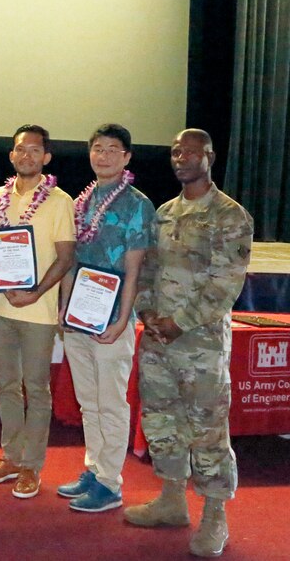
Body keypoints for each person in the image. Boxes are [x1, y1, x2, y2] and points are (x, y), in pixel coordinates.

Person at [125, 129, 253, 558]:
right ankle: (172, 500)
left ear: (210, 156)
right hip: (159, 341)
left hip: (200, 346)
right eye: (175, 151)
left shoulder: (229, 215)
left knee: (207, 429)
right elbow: (146, 271)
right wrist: (145, 313)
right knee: (161, 421)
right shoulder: (164, 212)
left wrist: (178, 323)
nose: (181, 157)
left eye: (190, 151)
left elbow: (224, 285)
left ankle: (215, 514)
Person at [55, 124, 154, 512]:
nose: (105, 156)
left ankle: (111, 484)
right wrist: (65, 307)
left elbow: (134, 270)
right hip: (80, 315)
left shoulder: (137, 205)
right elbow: (71, 261)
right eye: (98, 148)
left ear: (127, 157)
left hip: (113, 320)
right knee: (88, 401)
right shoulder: (83, 202)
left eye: (114, 150)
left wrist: (121, 319)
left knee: (111, 402)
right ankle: (94, 470)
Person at [0, 124, 75, 499]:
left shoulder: (60, 201)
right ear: (12, 155)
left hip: (37, 312)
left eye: (36, 150)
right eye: (22, 149)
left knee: (36, 388)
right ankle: (11, 457)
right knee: (6, 386)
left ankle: (32, 466)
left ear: (46, 158)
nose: (28, 156)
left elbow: (65, 258)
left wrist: (34, 293)